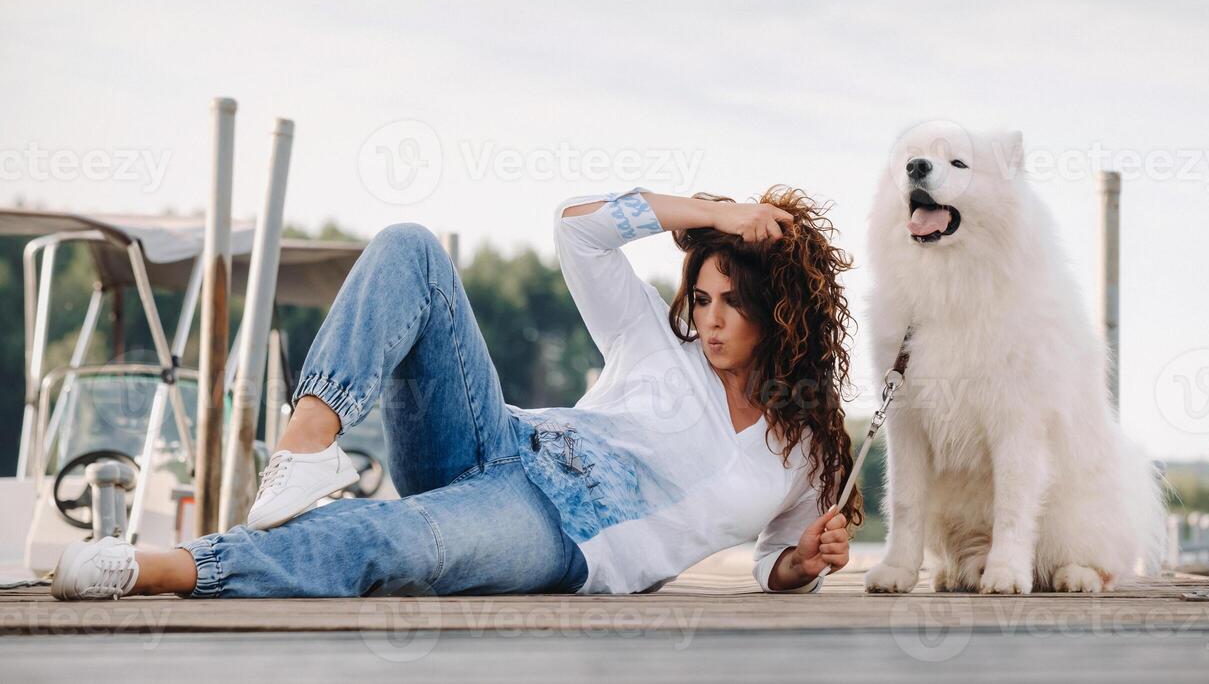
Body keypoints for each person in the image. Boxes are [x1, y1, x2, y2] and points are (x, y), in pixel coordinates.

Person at [50, 187, 861, 600]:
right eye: (705, 296)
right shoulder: (658, 339)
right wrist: (714, 210)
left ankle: (170, 567)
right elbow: (579, 226)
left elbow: (774, 567)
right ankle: (305, 445)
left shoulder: (801, 454)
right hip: (502, 441)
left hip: (562, 535)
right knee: (412, 250)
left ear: (780, 313)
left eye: (734, 303)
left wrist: (804, 562)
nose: (710, 320)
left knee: (395, 539)